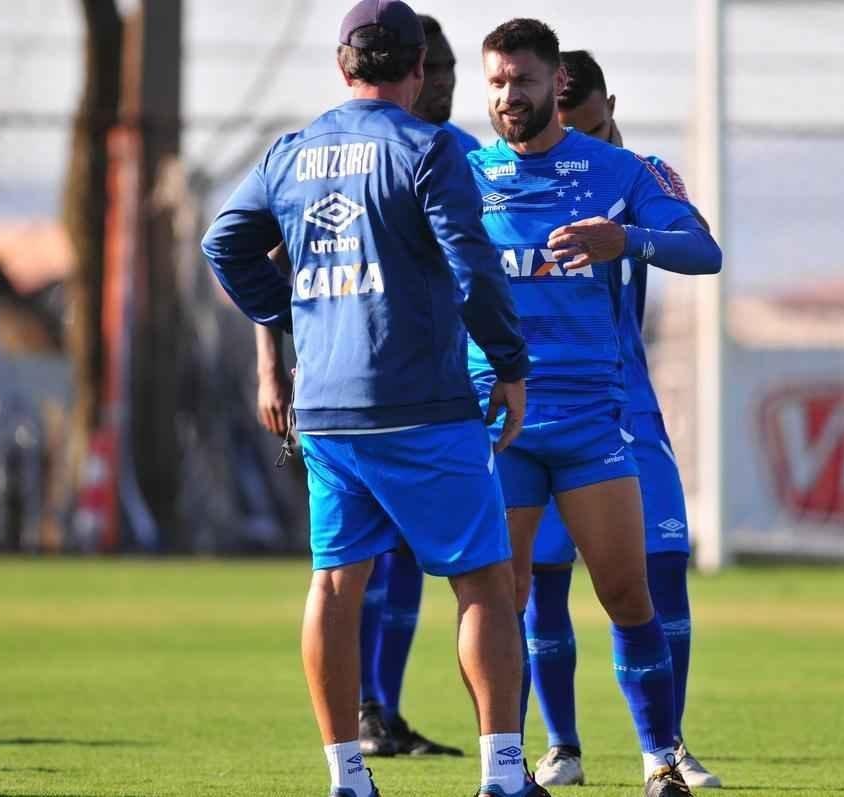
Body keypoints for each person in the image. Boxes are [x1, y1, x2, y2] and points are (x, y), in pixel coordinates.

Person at [201, 3, 549, 796]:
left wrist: (293, 316)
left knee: (334, 584)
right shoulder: (427, 147)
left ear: (342, 65)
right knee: (484, 581)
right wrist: (509, 362)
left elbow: (224, 242)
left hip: (327, 410)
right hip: (422, 402)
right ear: (418, 70)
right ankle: (503, 773)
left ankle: (347, 777)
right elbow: (473, 266)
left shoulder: (292, 151)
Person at [467, 19, 721, 797]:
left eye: (523, 80)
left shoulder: (616, 169)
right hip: (501, 427)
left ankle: (661, 759)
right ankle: (509, 769)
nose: (509, 96)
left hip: (590, 424)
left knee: (628, 592)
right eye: (497, 82)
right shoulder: (464, 174)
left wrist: (628, 239)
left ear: (555, 83)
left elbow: (702, 249)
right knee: (502, 600)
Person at [253, 12, 479, 760]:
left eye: (451, 69)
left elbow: (243, 248)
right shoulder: (412, 152)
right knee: (467, 573)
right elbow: (274, 257)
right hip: (414, 399)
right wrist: (273, 357)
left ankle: (372, 725)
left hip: (370, 395)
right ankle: (478, 754)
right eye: (432, 67)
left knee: (376, 564)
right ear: (412, 68)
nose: (441, 82)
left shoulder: (456, 151)